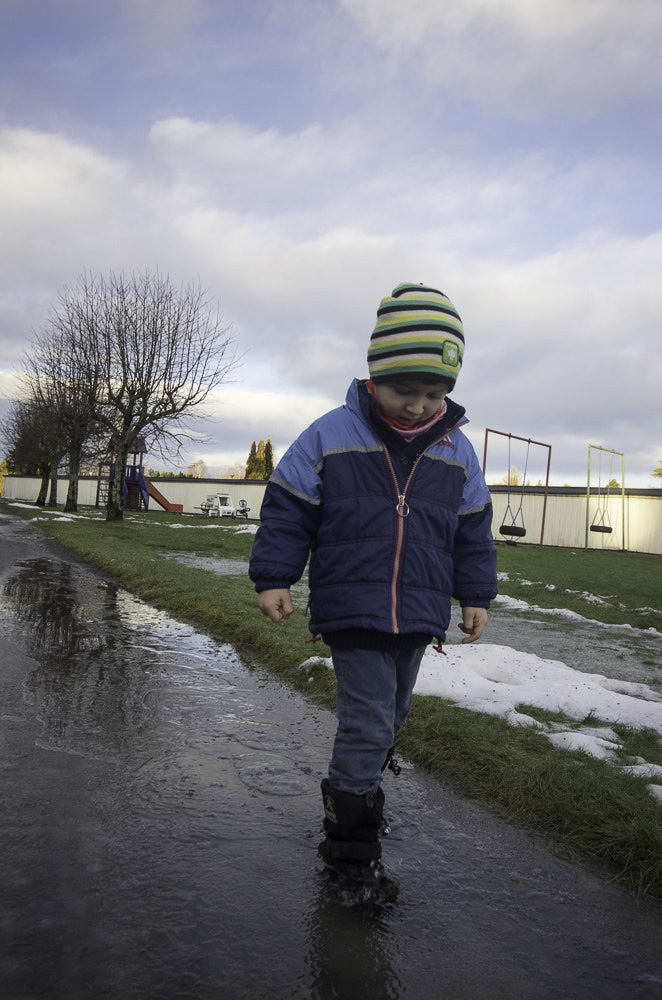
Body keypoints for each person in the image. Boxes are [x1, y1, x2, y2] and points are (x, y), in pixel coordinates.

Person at [249, 282, 497, 893]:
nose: (417, 406)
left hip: (418, 610)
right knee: (366, 724)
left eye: (433, 393)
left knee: (392, 715)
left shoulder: (457, 450)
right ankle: (350, 859)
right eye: (403, 390)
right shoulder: (331, 434)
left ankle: (362, 788)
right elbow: (288, 509)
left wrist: (475, 595)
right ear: (375, 375)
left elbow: (473, 530)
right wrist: (275, 577)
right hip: (352, 606)